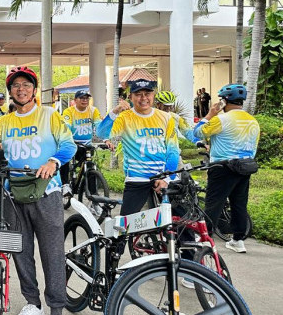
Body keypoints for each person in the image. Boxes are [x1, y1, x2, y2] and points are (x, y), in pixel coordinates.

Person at [0, 66, 76, 315]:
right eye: (16, 85)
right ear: (11, 91)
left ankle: (56, 314)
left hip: (47, 192)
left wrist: (53, 162)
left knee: (52, 253)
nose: (21, 89)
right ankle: (33, 304)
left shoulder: (49, 115)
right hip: (14, 193)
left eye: (26, 84)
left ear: (34, 88)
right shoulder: (4, 121)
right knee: (21, 252)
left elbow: (69, 146)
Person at [96, 79, 179, 218]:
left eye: (147, 93)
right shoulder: (125, 117)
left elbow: (173, 150)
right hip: (138, 178)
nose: (143, 98)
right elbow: (101, 134)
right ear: (131, 97)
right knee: (126, 227)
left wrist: (166, 178)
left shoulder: (165, 117)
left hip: (163, 176)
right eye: (138, 94)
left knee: (184, 224)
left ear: (153, 95)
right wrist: (116, 111)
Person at [194, 84, 260, 253]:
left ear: (224, 101)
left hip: (222, 167)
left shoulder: (221, 119)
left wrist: (210, 114)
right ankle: (238, 240)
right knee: (239, 203)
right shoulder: (253, 121)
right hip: (245, 167)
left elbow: (198, 133)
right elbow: (251, 147)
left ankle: (205, 239)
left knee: (214, 203)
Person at [60, 90, 102, 196]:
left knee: (91, 166)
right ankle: (65, 185)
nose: (85, 100)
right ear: (75, 100)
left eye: (87, 98)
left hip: (87, 146)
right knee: (65, 157)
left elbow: (99, 126)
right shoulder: (69, 112)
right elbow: (67, 127)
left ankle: (94, 198)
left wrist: (106, 139)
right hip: (72, 143)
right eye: (82, 98)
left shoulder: (93, 111)